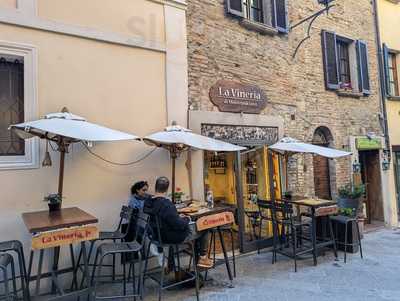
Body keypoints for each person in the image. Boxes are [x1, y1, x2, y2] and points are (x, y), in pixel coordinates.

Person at [144, 176, 213, 268]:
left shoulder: (148, 202)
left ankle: (171, 265)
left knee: (192, 226)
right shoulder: (166, 204)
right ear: (167, 189)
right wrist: (186, 219)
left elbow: (165, 218)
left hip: (156, 236)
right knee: (204, 227)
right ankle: (202, 258)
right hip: (170, 237)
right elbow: (179, 225)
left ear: (155, 187)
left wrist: (177, 216)